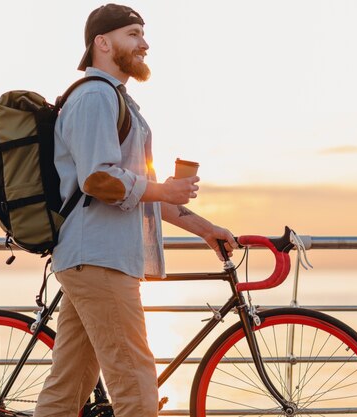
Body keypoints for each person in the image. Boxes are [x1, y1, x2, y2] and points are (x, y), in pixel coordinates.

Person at [34, 4, 237, 417]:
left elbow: (143, 192)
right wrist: (162, 187)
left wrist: (204, 228)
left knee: (69, 389)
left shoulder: (116, 100)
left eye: (143, 35)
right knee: (137, 389)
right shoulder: (94, 97)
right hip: (99, 260)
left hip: (94, 260)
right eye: (133, 34)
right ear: (102, 43)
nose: (144, 44)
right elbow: (99, 180)